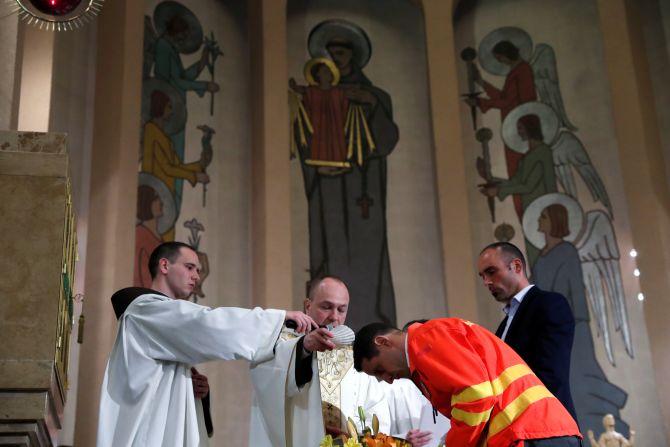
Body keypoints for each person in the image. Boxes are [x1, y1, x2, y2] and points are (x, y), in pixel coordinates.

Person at [97, 241, 316, 447]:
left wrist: (194, 391)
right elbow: (206, 322)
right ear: (164, 265)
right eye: (190, 267)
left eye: (198, 271)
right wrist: (278, 320)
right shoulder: (146, 310)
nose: (196, 277)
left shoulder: (160, 317)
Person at [295, 20, 400, 330]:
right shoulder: (316, 96)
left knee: (368, 259)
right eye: (332, 52)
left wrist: (369, 103)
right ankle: (325, 324)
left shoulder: (374, 95)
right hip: (327, 188)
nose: (337, 58)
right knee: (330, 252)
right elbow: (304, 137)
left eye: (342, 52)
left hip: (363, 191)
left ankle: (371, 323)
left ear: (352, 56)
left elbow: (386, 139)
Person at [249, 276, 430, 447]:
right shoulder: (284, 343)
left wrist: (358, 439)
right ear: (307, 306)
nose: (334, 317)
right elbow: (266, 382)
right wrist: (304, 348)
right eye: (326, 307)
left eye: (341, 309)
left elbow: (375, 410)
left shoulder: (357, 357)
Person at [353, 319, 582, 446]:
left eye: (380, 370)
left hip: (530, 433)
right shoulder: (423, 355)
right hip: (538, 431)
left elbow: (475, 395)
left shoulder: (425, 338)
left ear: (383, 342)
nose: (388, 379)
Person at [533, 204, 629, 435]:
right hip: (549, 330)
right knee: (562, 382)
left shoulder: (567, 251)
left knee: (580, 376)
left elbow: (567, 291)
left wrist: (553, 316)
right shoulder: (540, 258)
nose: (539, 219)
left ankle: (599, 430)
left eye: (544, 216)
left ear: (555, 220)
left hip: (571, 325)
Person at [477, 241, 578, 422]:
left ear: (516, 266)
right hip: (516, 429)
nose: (486, 282)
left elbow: (550, 375)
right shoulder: (502, 328)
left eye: (491, 272)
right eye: (482, 276)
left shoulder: (549, 304)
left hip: (548, 425)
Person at [465, 40, 537, 219]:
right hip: (513, 130)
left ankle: (527, 217)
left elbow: (508, 101)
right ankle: (524, 218)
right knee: (515, 172)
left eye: (500, 58)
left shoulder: (523, 71)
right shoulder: (516, 71)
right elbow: (504, 97)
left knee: (521, 175)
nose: (500, 62)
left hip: (521, 130)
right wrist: (482, 83)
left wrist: (481, 102)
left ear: (506, 54)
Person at [479, 114, 557, 265]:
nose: (519, 132)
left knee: (540, 242)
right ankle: (538, 277)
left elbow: (529, 185)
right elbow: (516, 181)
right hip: (529, 207)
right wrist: (494, 182)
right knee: (532, 243)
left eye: (521, 128)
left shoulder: (543, 153)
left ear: (530, 129)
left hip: (541, 208)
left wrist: (499, 192)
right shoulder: (528, 156)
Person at [141, 90, 211, 240]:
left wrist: (199, 165)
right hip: (154, 195)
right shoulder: (151, 131)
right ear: (160, 108)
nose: (171, 111)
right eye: (168, 107)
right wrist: (195, 176)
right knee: (158, 237)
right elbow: (167, 167)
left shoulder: (164, 137)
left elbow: (177, 165)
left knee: (167, 237)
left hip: (167, 194)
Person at [290, 57, 351, 174]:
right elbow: (302, 91)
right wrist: (294, 86)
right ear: (318, 75)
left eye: (329, 71)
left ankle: (339, 163)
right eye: (325, 71)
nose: (328, 73)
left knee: (338, 141)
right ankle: (322, 165)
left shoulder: (338, 92)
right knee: (320, 141)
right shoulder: (312, 91)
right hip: (320, 125)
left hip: (336, 125)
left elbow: (346, 98)